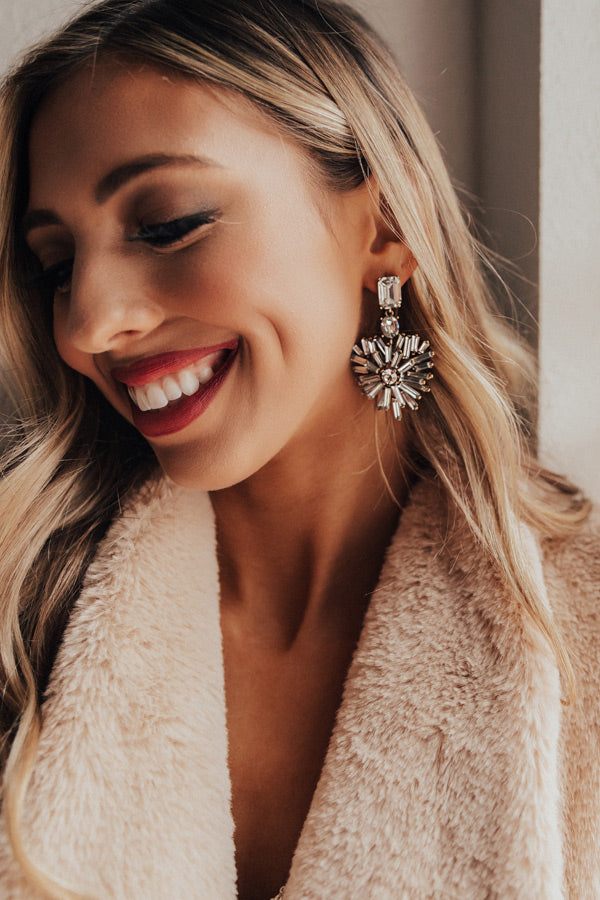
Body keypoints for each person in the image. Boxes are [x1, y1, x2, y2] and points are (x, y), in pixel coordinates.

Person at [0, 0, 597, 898]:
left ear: (384, 227)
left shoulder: (582, 629)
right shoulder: (21, 621)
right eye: (57, 267)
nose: (89, 325)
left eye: (167, 223)